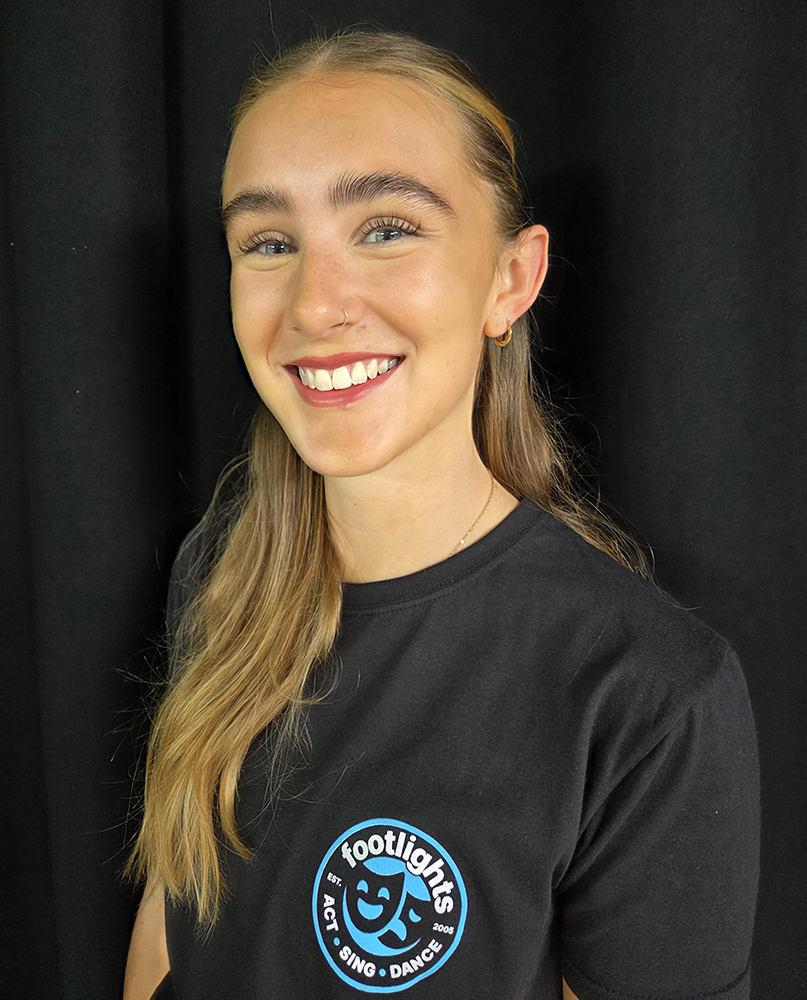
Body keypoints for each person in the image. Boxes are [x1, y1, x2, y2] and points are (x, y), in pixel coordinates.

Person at [123, 31, 759, 1000]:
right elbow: (175, 913)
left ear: (511, 280)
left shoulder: (646, 693)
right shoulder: (220, 571)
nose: (315, 305)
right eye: (269, 243)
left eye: (386, 228)